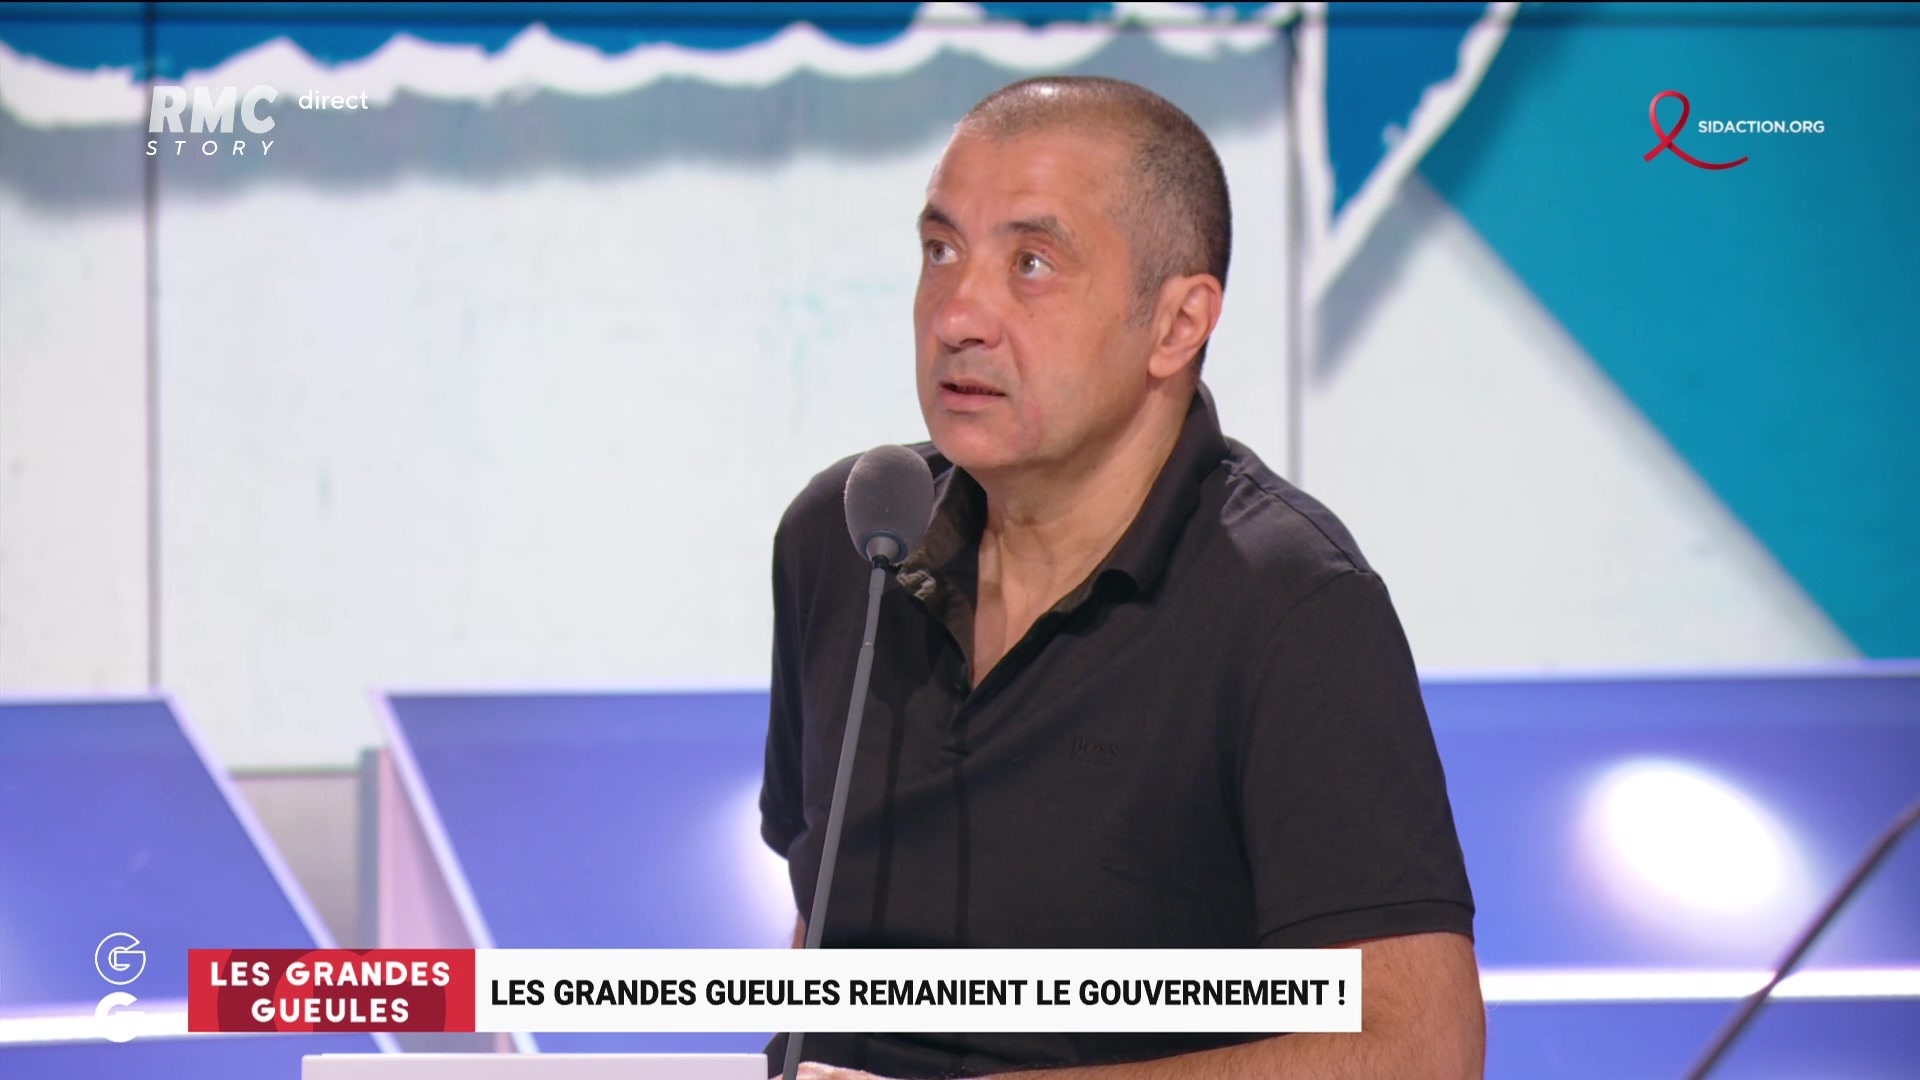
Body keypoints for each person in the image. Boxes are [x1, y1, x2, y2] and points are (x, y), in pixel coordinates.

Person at [758, 75, 1481, 1079]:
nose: (958, 313)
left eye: (1032, 263)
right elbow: (821, 925)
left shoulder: (1291, 604)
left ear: (1178, 324)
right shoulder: (847, 538)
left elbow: (1418, 1050)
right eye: (940, 250)